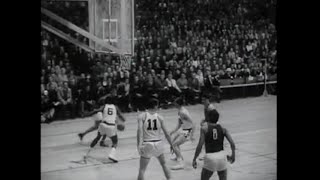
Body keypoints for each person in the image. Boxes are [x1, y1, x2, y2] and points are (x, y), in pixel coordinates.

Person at [192, 109, 236, 180]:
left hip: (210, 157)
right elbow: (232, 144)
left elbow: (200, 145)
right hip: (222, 157)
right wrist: (233, 155)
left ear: (208, 118)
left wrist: (194, 159)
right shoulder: (223, 129)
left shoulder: (204, 129)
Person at [137, 99, 173, 180]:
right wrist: (172, 145)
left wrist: (139, 145)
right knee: (164, 164)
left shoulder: (142, 116)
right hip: (158, 144)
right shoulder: (160, 117)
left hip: (147, 144)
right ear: (155, 106)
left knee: (142, 170)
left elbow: (139, 132)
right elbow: (167, 133)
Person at [170, 98, 196, 170]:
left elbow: (193, 123)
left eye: (175, 103)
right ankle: (178, 156)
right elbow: (179, 123)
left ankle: (180, 163)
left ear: (178, 104)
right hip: (183, 129)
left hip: (187, 131)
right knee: (174, 141)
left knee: (174, 144)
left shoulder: (183, 112)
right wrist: (174, 131)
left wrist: (192, 135)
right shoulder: (179, 111)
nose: (174, 104)